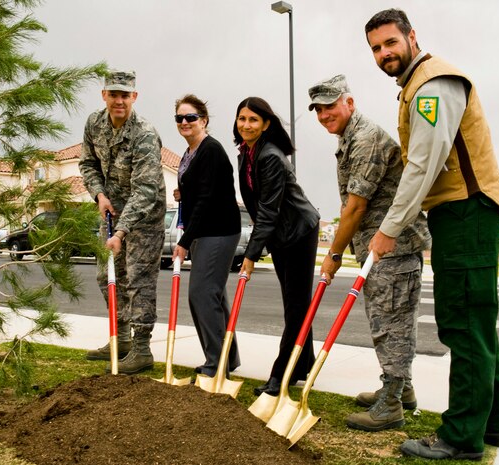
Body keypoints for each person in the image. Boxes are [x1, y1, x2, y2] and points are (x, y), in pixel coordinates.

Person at [365, 9, 499, 460]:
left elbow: (423, 164)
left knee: (463, 323)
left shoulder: (431, 84)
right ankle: (493, 422)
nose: (384, 53)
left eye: (390, 42)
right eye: (375, 48)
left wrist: (389, 228)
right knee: (477, 322)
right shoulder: (417, 84)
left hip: (466, 211)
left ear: (412, 36)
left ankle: (462, 437)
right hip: (461, 213)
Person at [308, 74, 431, 432]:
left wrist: (332, 254)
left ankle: (391, 404)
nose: (323, 114)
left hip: (393, 246)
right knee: (389, 321)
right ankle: (401, 389)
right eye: (317, 109)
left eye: (330, 105)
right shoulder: (349, 137)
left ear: (349, 102)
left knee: (391, 325)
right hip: (379, 248)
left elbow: (355, 207)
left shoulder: (364, 139)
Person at [79, 70, 166, 375]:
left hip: (144, 219)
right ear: (104, 95)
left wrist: (121, 230)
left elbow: (146, 190)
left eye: (124, 95)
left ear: (134, 97)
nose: (119, 100)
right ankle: (122, 340)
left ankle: (142, 349)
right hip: (110, 213)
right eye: (113, 94)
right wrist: (99, 194)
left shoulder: (144, 133)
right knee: (108, 278)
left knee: (139, 282)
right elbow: (87, 163)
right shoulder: (94, 123)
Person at [234, 97, 320, 396]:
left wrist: (251, 254)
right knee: (296, 304)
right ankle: (302, 363)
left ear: (266, 124)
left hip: (298, 232)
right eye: (242, 118)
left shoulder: (270, 155)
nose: (246, 124)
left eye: (253, 120)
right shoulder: (246, 153)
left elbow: (268, 210)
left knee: (296, 306)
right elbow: (256, 205)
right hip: (280, 235)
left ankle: (280, 374)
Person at [171, 94, 242, 377]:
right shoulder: (191, 151)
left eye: (190, 117)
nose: (184, 122)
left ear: (204, 120)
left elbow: (208, 198)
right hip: (207, 230)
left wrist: (184, 242)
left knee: (201, 294)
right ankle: (228, 357)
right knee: (213, 296)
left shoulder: (210, 149)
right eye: (179, 118)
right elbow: (197, 191)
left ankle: (216, 362)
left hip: (219, 230)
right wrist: (183, 193)